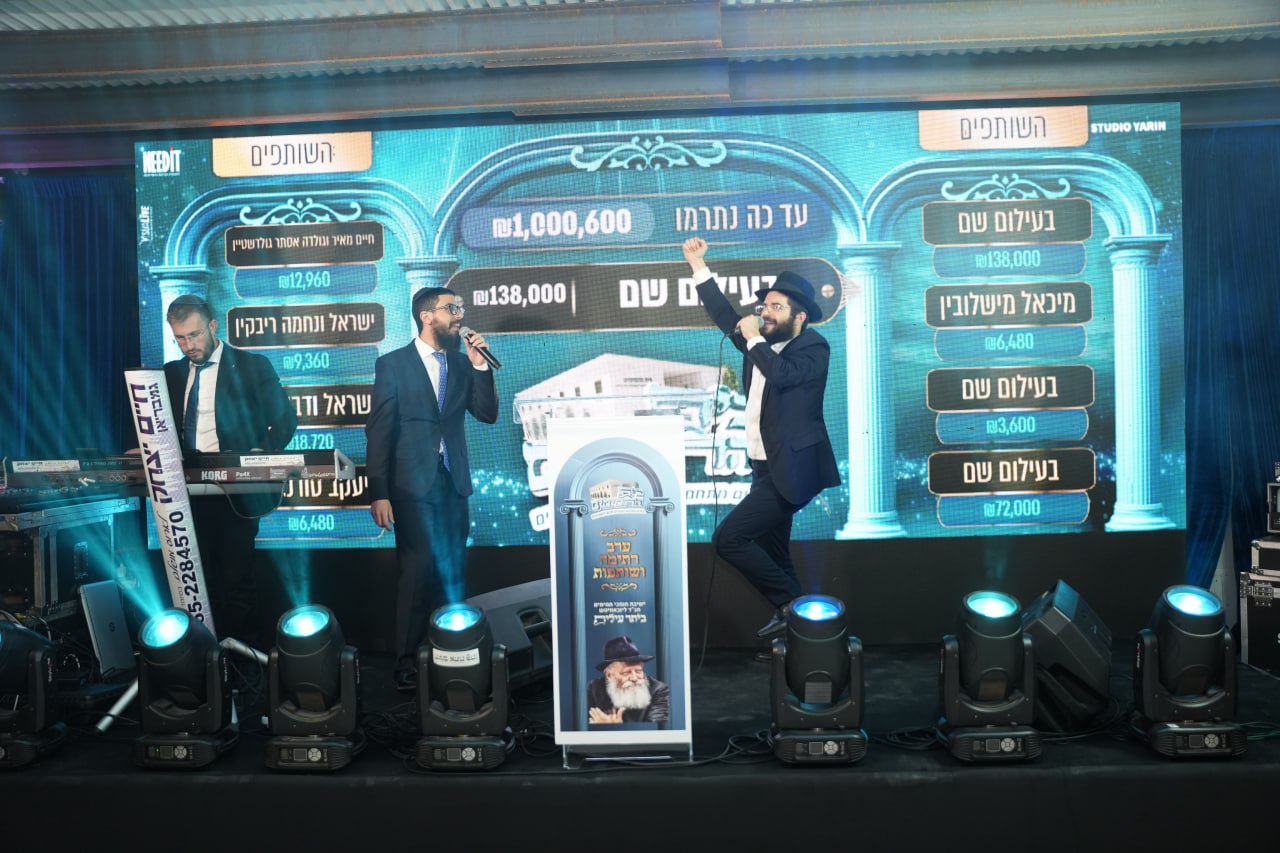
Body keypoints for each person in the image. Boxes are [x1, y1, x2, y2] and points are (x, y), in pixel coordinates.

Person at [681, 237, 841, 656]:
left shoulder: (813, 347)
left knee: (728, 539)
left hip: (794, 470)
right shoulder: (760, 346)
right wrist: (698, 266)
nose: (764, 313)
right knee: (774, 550)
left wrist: (754, 342)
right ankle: (805, 637)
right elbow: (724, 315)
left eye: (776, 307)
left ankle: (791, 608)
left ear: (800, 316)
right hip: (763, 467)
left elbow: (784, 376)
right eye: (764, 306)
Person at [365, 287, 499, 692]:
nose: (460, 315)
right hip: (411, 484)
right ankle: (406, 662)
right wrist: (378, 492)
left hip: (453, 481)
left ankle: (450, 656)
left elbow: (487, 414)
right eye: (452, 308)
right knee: (417, 570)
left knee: (453, 569)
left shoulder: (461, 362)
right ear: (427, 316)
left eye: (461, 308)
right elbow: (379, 431)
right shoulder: (393, 364)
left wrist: (480, 365)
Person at [164, 293, 297, 647]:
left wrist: (260, 454)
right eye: (180, 338)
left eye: (194, 335)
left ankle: (242, 659)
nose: (189, 346)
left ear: (212, 326)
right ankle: (200, 658)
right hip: (183, 494)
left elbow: (285, 419)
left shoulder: (251, 366)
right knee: (193, 583)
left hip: (234, 493)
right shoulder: (170, 374)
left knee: (235, 581)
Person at [586, 636, 671, 724]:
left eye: (638, 671)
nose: (634, 678)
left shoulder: (659, 690)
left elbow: (656, 727)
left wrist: (614, 727)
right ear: (609, 675)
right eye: (626, 673)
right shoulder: (592, 689)